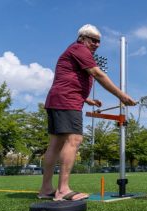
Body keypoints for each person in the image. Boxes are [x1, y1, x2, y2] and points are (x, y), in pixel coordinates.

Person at [38, 24, 136, 201]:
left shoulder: (74, 51)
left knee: (55, 143)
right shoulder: (79, 49)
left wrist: (86, 99)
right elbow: (98, 74)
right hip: (66, 101)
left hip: (59, 99)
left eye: (99, 41)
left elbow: (67, 80)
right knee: (74, 139)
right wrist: (121, 95)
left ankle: (46, 189)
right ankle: (63, 190)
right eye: (93, 40)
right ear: (82, 38)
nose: (97, 44)